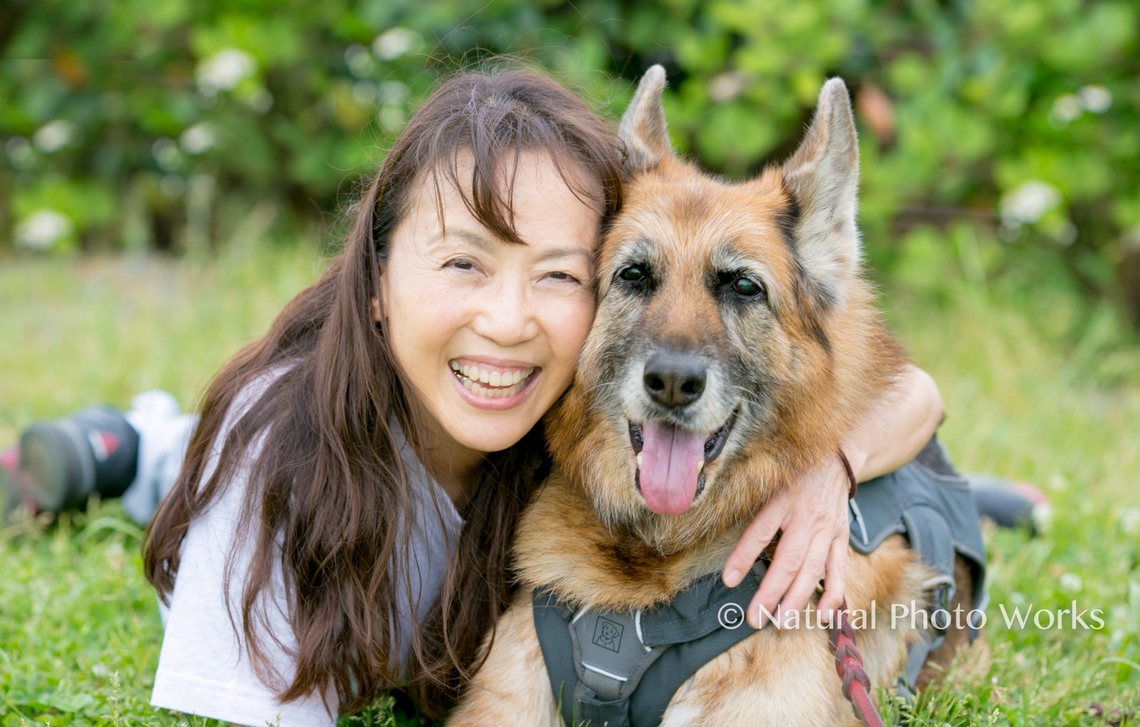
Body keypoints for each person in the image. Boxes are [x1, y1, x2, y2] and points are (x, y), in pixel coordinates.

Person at [0, 66, 1017, 724]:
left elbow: (904, 389)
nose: (509, 320)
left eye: (557, 274)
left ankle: (998, 496)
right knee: (201, 455)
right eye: (463, 265)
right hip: (287, 456)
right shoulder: (275, 491)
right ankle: (121, 448)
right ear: (376, 279)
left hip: (503, 450)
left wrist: (836, 466)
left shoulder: (542, 405)